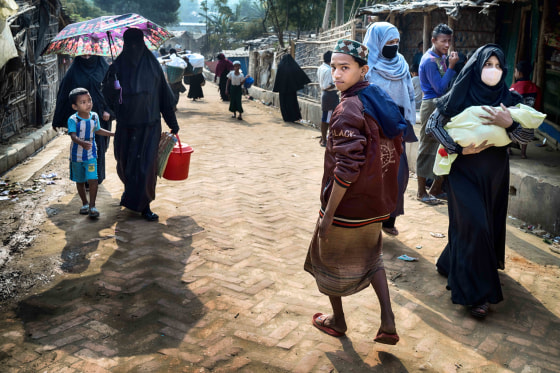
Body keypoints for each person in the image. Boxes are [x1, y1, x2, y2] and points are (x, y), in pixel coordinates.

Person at [304, 39, 407, 345]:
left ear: (363, 70)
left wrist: (328, 215)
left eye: (344, 68)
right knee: (372, 257)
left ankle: (337, 320)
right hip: (376, 202)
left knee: (326, 259)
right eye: (333, 67)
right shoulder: (376, 96)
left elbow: (347, 169)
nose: (336, 74)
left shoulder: (348, 107)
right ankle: (387, 321)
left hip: (348, 205)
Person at [426, 44, 533, 319]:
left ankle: (451, 261)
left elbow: (527, 137)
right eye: (488, 65)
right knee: (475, 224)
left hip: (496, 174)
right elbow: (433, 125)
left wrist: (508, 123)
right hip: (464, 172)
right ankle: (476, 295)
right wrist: (458, 149)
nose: (493, 71)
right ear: (477, 66)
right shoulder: (460, 94)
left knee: (482, 223)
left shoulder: (508, 100)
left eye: (498, 66)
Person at [102, 27, 179, 221]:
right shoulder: (116, 67)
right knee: (125, 164)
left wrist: (172, 122)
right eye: (130, 44)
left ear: (142, 44)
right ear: (125, 45)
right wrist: (112, 83)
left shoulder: (153, 67)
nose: (134, 48)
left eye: (137, 43)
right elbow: (107, 96)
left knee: (145, 167)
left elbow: (164, 97)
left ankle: (145, 205)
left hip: (149, 126)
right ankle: (131, 194)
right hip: (126, 125)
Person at [363, 21, 419, 237]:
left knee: (398, 175)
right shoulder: (366, 65)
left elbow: (408, 94)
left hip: (396, 127)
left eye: (396, 42)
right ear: (377, 42)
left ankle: (389, 219)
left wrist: (407, 121)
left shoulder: (402, 63)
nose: (394, 46)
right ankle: (369, 222)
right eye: (389, 42)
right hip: (373, 126)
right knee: (372, 176)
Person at [53, 55, 113, 185]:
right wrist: (58, 118)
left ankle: (96, 178)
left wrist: (108, 109)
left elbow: (112, 92)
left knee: (98, 148)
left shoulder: (105, 69)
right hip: (81, 119)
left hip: (100, 117)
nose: (87, 57)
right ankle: (85, 180)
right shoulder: (74, 71)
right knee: (83, 148)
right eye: (83, 55)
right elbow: (64, 94)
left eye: (89, 54)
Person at [416, 23, 459, 204]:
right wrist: (451, 67)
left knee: (442, 146)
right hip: (431, 105)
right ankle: (421, 192)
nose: (447, 45)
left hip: (441, 106)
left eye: (449, 41)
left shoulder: (439, 57)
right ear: (433, 40)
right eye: (443, 41)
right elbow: (440, 88)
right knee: (426, 146)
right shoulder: (429, 61)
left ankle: (436, 188)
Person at [66, 88, 114, 218]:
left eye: (89, 100)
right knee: (80, 181)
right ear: (75, 106)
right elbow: (73, 136)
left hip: (91, 155)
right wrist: (81, 142)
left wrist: (112, 133)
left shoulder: (94, 116)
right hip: (77, 156)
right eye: (83, 102)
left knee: (93, 179)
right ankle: (85, 203)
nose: (88, 104)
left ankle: (93, 206)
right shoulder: (73, 120)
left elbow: (97, 130)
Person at [510, 60, 542, 158]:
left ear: (519, 73)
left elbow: (509, 105)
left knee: (509, 127)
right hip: (528, 122)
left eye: (515, 71)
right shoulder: (536, 89)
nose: (515, 73)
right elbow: (537, 106)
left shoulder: (514, 87)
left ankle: (508, 149)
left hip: (516, 122)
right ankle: (523, 153)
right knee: (527, 126)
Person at [272, 54, 311, 122]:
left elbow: (278, 78)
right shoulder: (292, 66)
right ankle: (293, 117)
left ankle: (286, 117)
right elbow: (299, 73)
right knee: (292, 103)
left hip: (282, 90)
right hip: (291, 90)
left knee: (284, 103)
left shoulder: (281, 66)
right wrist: (305, 81)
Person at [316, 51, 339, 147]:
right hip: (330, 94)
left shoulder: (321, 68)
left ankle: (325, 138)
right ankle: (325, 139)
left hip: (326, 94)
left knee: (327, 117)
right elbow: (327, 85)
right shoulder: (329, 70)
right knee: (327, 118)